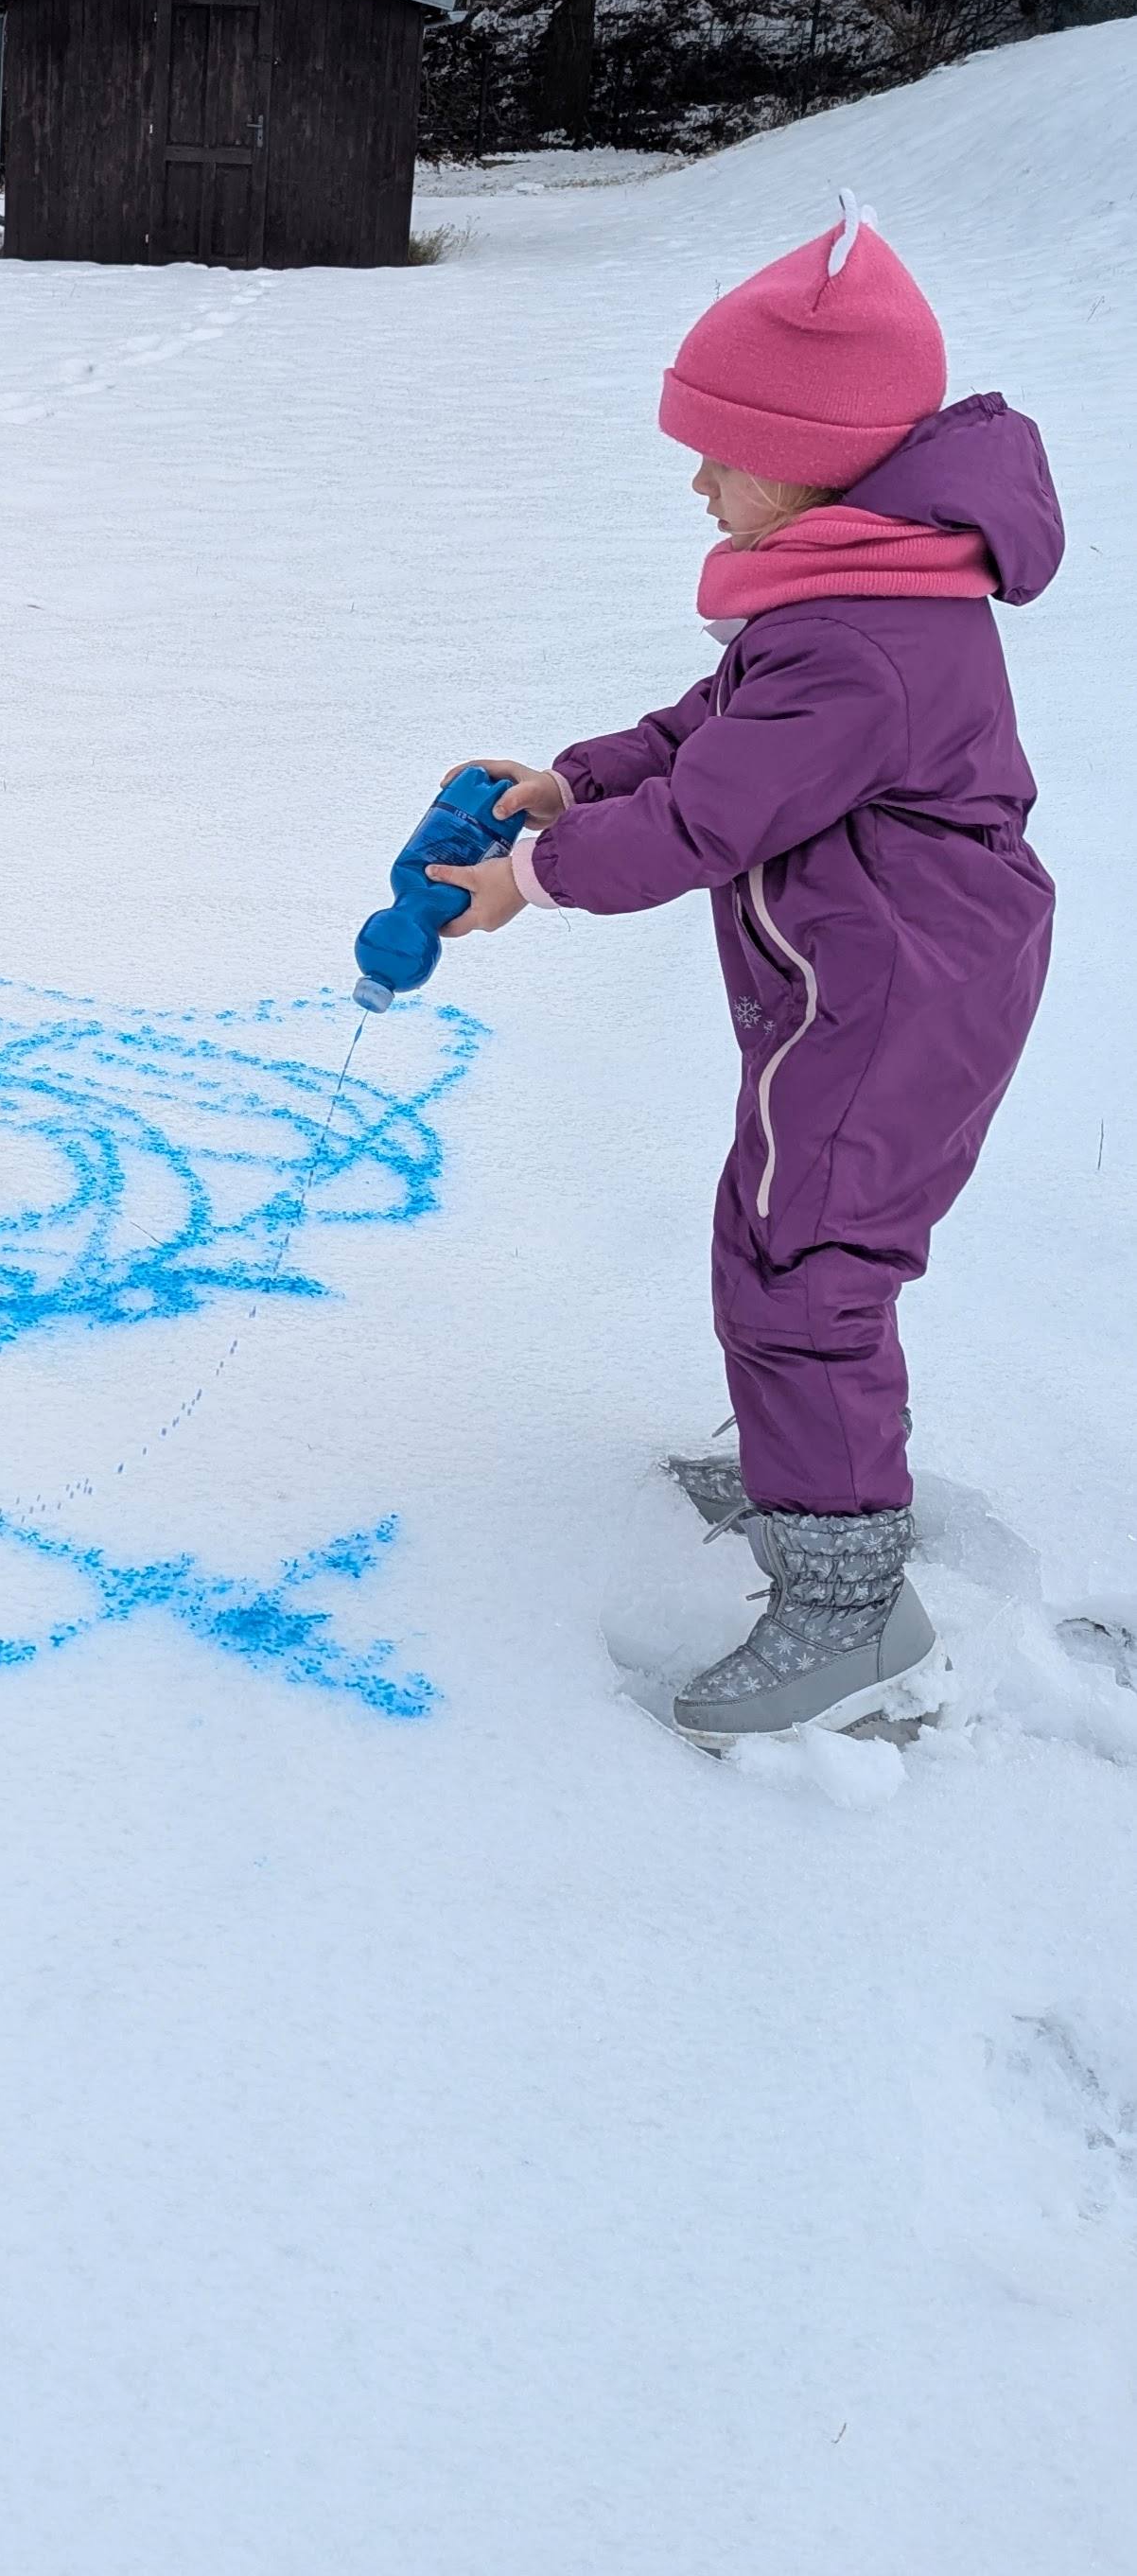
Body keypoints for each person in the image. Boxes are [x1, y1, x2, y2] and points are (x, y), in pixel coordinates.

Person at [432, 195, 1064, 1741]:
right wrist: (575, 780)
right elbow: (713, 726)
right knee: (781, 1240)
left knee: (808, 1264)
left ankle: (851, 1604)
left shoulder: (859, 638)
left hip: (889, 997)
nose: (700, 484)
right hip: (885, 976)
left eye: (722, 455)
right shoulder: (858, 589)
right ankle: (808, 1477)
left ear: (819, 456)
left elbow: (709, 816)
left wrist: (531, 880)